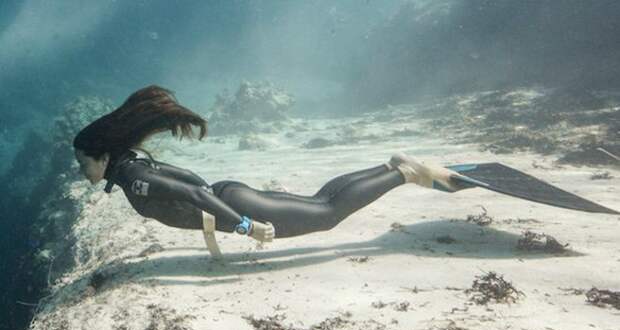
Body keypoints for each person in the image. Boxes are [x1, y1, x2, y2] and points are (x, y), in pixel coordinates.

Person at [73, 85, 466, 247]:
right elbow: (192, 181)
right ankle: (394, 166)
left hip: (238, 206)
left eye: (82, 163)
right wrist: (222, 203)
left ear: (103, 156)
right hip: (230, 196)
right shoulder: (133, 166)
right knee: (322, 202)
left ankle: (405, 173)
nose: (81, 171)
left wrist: (243, 225)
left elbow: (190, 192)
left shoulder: (133, 176)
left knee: (327, 214)